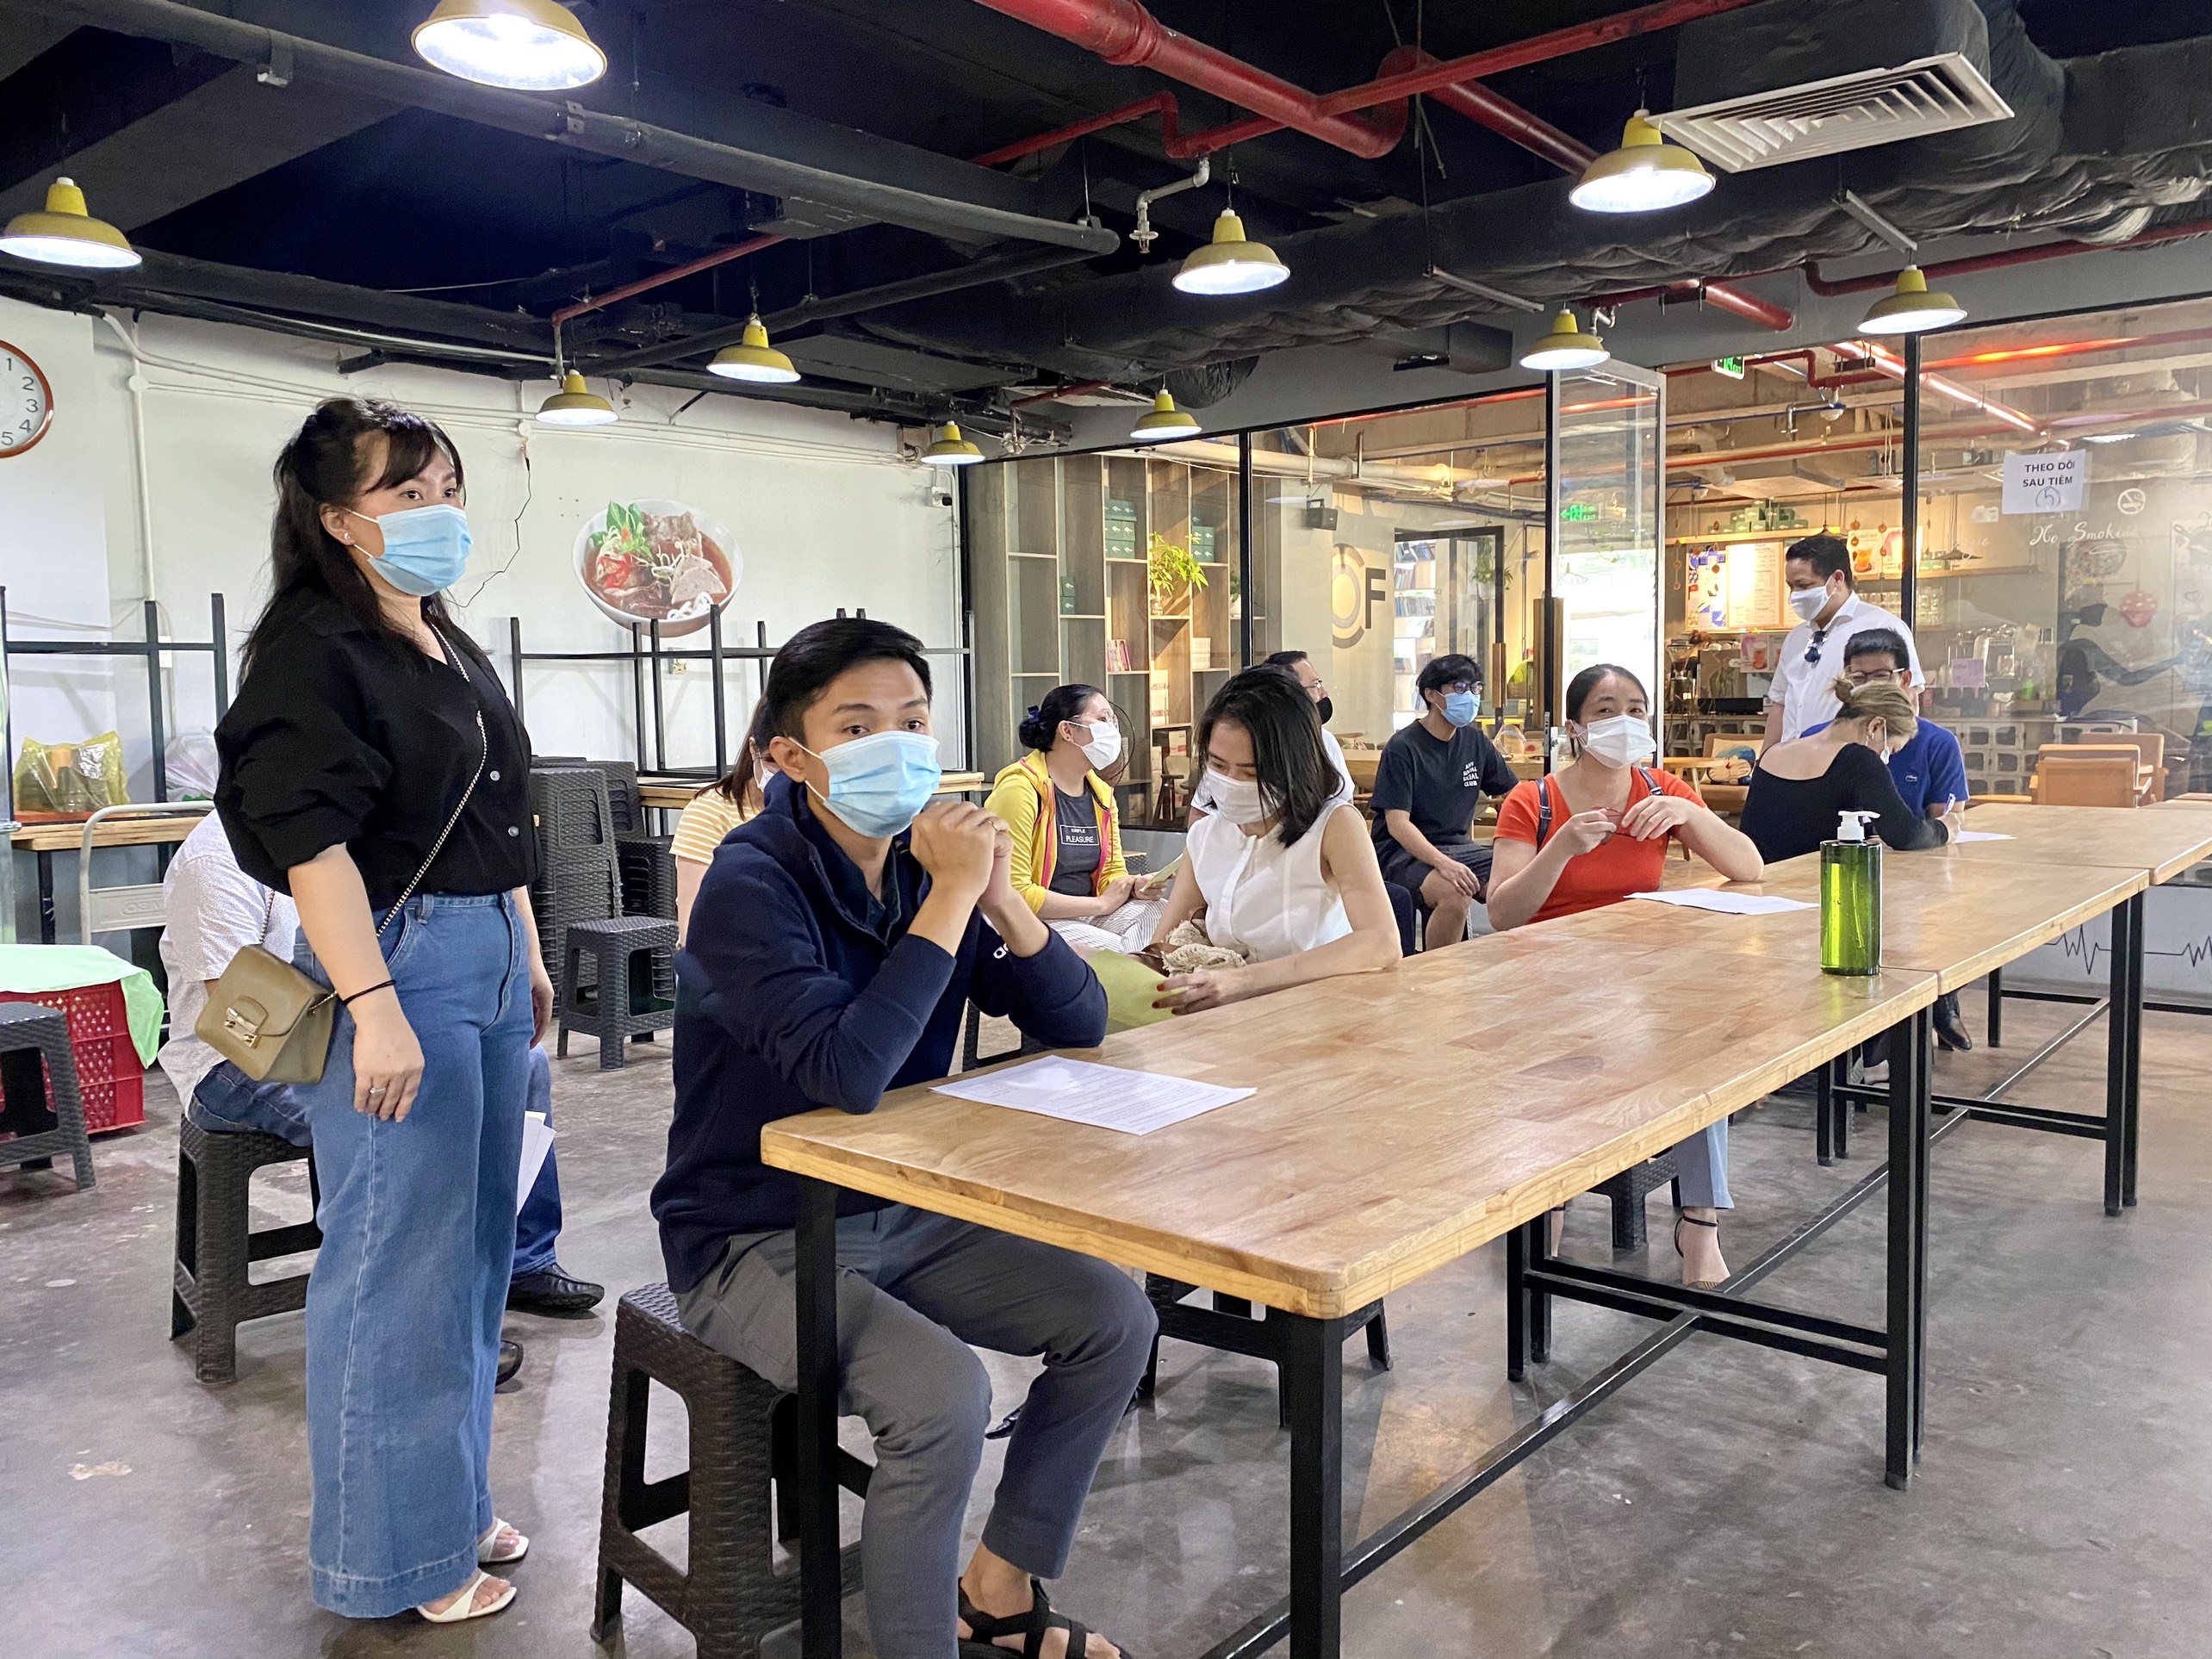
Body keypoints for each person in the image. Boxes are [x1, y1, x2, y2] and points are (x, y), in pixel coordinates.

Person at [654, 617, 1148, 1659]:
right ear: (791, 756)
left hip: (903, 1208)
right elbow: (848, 1073)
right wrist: (955, 898)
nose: (896, 744)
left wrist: (1001, 900)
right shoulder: (753, 882)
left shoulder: (932, 866)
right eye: (857, 726)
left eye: (913, 721)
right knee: (943, 1398)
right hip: (749, 1234)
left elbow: (1080, 1022)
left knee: (1114, 1316)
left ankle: (997, 1592)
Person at [214, 396, 554, 1624]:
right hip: (396, 959)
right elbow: (313, 843)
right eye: (406, 491)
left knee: (473, 1255)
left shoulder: (439, 634)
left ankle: (449, 1503)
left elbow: (492, 814)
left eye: (447, 488)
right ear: (335, 517)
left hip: (487, 950)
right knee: (395, 1264)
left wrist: (525, 951)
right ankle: (388, 1559)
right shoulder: (315, 648)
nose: (437, 511)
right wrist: (376, 1004)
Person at [157, 811, 601, 1331]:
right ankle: (426, 1317)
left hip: (341, 1025)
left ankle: (522, 1261)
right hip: (236, 1060)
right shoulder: (216, 861)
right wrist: (368, 1041)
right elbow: (240, 1011)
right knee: (409, 1110)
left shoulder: (344, 836)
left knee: (523, 1063)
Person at [1486, 663, 1763, 1289]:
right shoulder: (1535, 801)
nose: (1625, 722)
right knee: (1558, 1063)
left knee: (1699, 1052)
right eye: (1606, 710)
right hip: (1549, 982)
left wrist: (1686, 814)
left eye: (1637, 709)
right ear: (1575, 728)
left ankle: (1700, 1223)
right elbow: (1502, 913)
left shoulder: (1661, 790)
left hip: (1642, 976)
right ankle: (1547, 1205)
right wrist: (1560, 847)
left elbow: (1749, 868)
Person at [1146, 663, 1400, 1012]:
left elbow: (1381, 942)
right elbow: (1164, 945)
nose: (1230, 782)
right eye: (1218, 766)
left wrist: (1244, 981)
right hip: (1230, 1014)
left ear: (1292, 768)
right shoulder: (1206, 835)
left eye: (1250, 772)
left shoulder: (1333, 826)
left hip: (1320, 1010)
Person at [1799, 627, 1976, 1050]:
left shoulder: (1937, 743)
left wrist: (1932, 834)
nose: (1867, 686)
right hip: (1841, 871)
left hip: (1913, 872)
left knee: (1926, 920)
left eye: (1880, 675)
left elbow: (1947, 817)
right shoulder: (1818, 739)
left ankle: (1939, 1003)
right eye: (1857, 678)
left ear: (1905, 678)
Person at [984, 683, 1164, 953]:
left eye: (1113, 721)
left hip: (1085, 912)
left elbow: (1111, 873)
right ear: (1067, 731)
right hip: (1031, 919)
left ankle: (1135, 973)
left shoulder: (1102, 795)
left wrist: (1131, 887)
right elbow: (1013, 892)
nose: (1112, 729)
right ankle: (1133, 973)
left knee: (1158, 912)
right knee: (1118, 951)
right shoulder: (1019, 790)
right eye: (1102, 719)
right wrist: (1101, 905)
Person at [1369, 653, 1519, 951]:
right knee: (1454, 891)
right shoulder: (1403, 747)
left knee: (1520, 880)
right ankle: (1437, 972)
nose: (1471, 696)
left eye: (1475, 688)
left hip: (1459, 848)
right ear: (1431, 695)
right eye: (1460, 688)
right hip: (1401, 853)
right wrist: (1444, 864)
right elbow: (1397, 825)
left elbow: (1514, 795)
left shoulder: (1476, 742)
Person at [1740, 679, 1960, 865]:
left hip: (1761, 882)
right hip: (1816, 883)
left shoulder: (1774, 752)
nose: (1885, 758)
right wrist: (1943, 829)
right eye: (1890, 749)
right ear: (1876, 727)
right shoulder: (1858, 761)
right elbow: (1905, 835)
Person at [1764, 533, 1921, 744]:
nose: (1795, 595)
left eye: (1803, 585)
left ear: (1837, 579)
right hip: (1794, 758)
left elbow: (1907, 702)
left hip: (1850, 756)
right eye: (1791, 586)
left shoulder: (1882, 626)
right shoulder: (1796, 638)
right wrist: (1766, 759)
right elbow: (1780, 705)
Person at [1189, 649, 1354, 815]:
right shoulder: (1236, 742)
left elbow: (1344, 803)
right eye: (1315, 685)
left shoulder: (1326, 741)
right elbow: (1200, 812)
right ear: (1288, 693)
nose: (1323, 693)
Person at [674, 720, 772, 942]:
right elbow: (693, 930)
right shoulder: (711, 810)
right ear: (753, 749)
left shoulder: (816, 808)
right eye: (772, 760)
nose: (785, 771)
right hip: (728, 954)